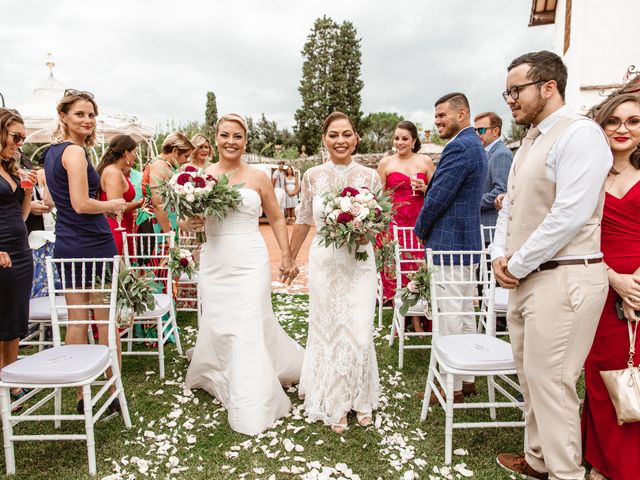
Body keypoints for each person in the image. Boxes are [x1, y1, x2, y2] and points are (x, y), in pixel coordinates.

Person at [491, 51, 612, 480]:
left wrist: (518, 262)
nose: (509, 99)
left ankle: (565, 474)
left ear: (548, 86)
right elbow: (511, 206)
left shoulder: (580, 135)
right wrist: (498, 256)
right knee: (531, 377)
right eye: (507, 92)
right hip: (527, 278)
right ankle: (539, 459)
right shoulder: (531, 140)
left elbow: (569, 214)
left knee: (554, 384)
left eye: (516, 90)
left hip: (565, 277)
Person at [185, 113, 304, 436]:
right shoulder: (200, 176)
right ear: (216, 138)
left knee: (249, 321)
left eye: (237, 136)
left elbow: (277, 218)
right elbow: (187, 220)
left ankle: (252, 396)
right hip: (214, 259)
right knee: (221, 322)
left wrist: (287, 254)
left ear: (245, 140)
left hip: (251, 260)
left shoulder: (259, 176)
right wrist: (190, 224)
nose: (231, 141)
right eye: (225, 135)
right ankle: (227, 373)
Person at [289, 111, 381, 433]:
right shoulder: (312, 176)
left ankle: (362, 398)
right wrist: (289, 256)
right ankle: (336, 400)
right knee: (329, 328)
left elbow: (380, 225)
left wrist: (364, 232)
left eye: (346, 134)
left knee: (359, 327)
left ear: (356, 138)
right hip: (326, 263)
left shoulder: (371, 178)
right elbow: (302, 219)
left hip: (360, 262)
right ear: (324, 140)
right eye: (333, 135)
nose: (340, 141)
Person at [43, 90, 127, 415]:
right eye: (79, 114)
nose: (87, 120)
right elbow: (81, 204)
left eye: (91, 115)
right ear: (63, 116)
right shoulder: (76, 152)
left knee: (77, 320)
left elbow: (56, 203)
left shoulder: (51, 154)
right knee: (104, 319)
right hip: (90, 241)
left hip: (66, 240)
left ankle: (82, 397)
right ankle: (113, 391)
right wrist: (112, 205)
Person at [581, 93, 640, 480]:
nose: (622, 129)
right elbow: (577, 234)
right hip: (598, 282)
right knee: (600, 373)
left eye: (633, 121)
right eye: (613, 121)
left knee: (636, 373)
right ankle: (603, 462)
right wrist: (613, 279)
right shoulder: (589, 175)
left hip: (639, 287)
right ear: (600, 127)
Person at [414, 92, 487, 404]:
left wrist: (420, 231)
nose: (437, 121)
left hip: (450, 243)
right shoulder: (474, 144)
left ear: (463, 113)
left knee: (449, 315)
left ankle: (451, 385)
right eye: (436, 116)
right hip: (466, 241)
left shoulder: (459, 146)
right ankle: (467, 380)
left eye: (443, 115)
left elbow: (437, 197)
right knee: (464, 311)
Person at [377, 120, 435, 332]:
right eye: (396, 138)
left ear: (414, 140)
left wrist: (425, 188)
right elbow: (379, 197)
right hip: (395, 224)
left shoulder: (425, 161)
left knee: (418, 267)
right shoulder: (386, 164)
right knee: (396, 268)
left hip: (418, 223)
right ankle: (400, 315)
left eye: (404, 138)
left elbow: (437, 192)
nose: (399, 142)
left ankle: (418, 318)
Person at [0, 109, 38, 405]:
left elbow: (22, 217)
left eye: (22, 138)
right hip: (1, 252)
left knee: (15, 319)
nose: (20, 143)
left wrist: (27, 191)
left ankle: (10, 378)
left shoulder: (9, 167)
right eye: (16, 136)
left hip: (20, 249)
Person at [96, 135, 144, 255]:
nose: (135, 156)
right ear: (126, 153)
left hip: (124, 225)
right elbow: (117, 207)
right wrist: (140, 203)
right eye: (134, 152)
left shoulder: (117, 170)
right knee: (120, 269)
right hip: (116, 228)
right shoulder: (113, 172)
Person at [139, 132, 193, 235]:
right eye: (186, 156)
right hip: (156, 224)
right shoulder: (159, 166)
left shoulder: (165, 165)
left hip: (164, 223)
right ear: (175, 151)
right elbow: (158, 204)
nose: (187, 160)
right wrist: (167, 233)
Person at [473, 112, 513, 232]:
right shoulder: (485, 153)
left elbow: (501, 191)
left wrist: (471, 203)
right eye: (474, 131)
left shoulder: (501, 154)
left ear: (495, 131)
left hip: (491, 228)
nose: (476, 134)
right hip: (482, 228)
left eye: (481, 130)